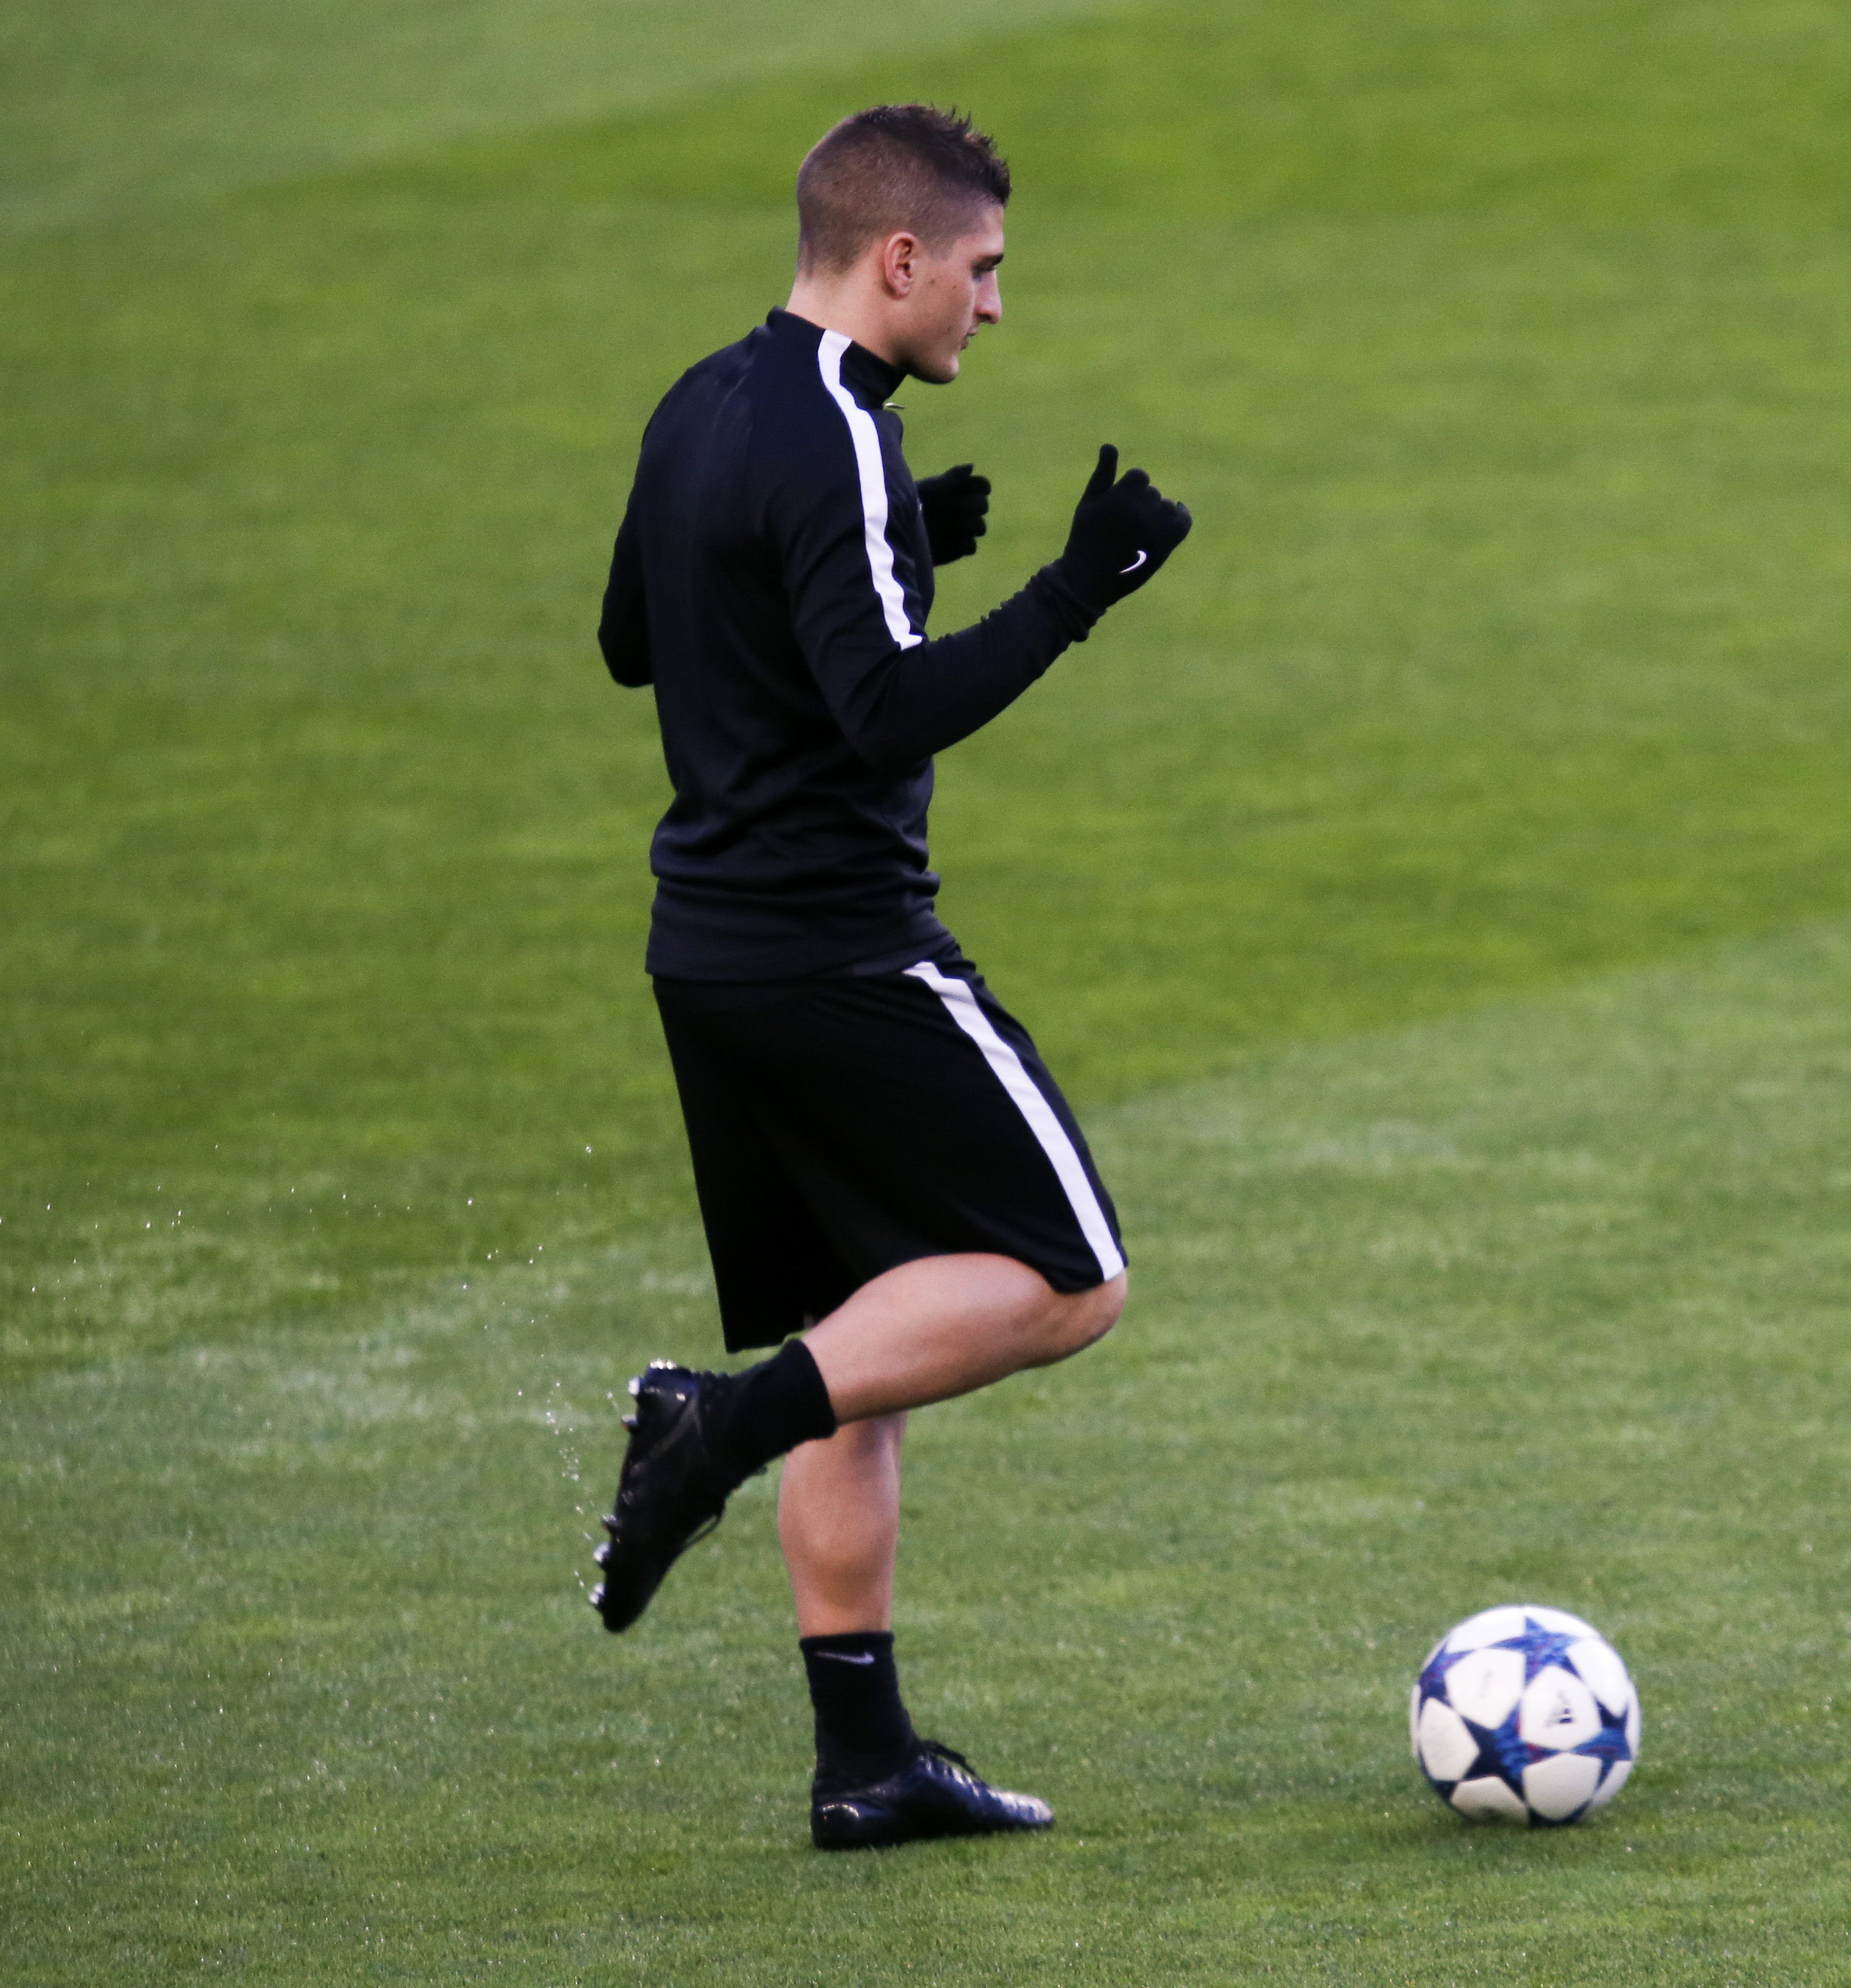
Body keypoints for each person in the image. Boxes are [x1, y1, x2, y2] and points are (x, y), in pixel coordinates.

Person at [588, 103, 1191, 1851]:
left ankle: (864, 1756)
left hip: (706, 949)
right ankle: (708, 1428)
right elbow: (888, 711)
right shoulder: (833, 432)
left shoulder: (703, 400)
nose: (995, 307)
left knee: (870, 1328)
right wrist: (1079, 588)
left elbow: (639, 638)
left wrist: (889, 532)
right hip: (837, 950)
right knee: (1069, 1275)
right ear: (899, 258)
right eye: (983, 270)